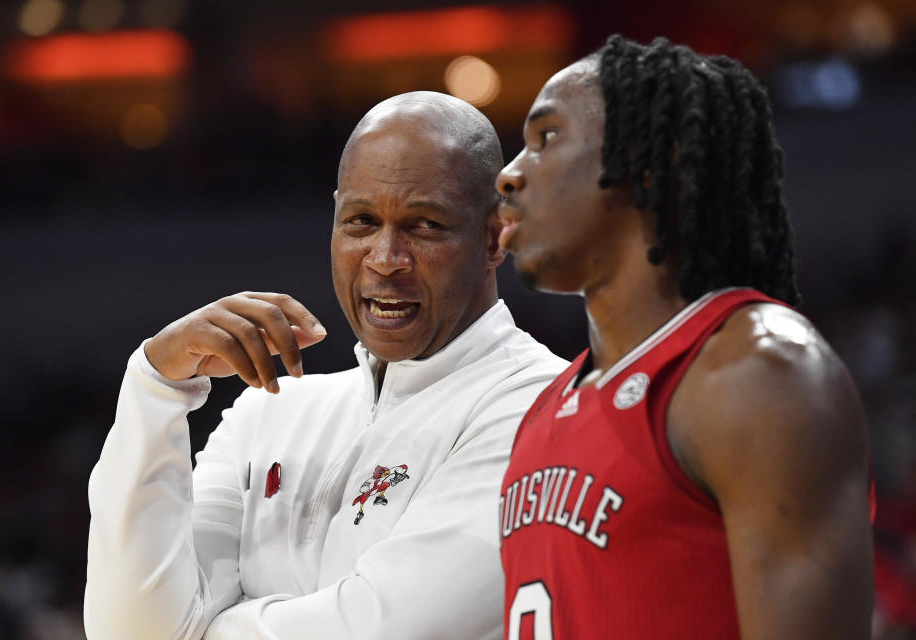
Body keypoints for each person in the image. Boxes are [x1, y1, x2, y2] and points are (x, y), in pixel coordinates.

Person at [84, 91, 566, 640]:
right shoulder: (269, 411)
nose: (386, 259)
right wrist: (155, 388)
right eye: (361, 221)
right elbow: (131, 628)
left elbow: (383, 630)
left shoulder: (541, 407)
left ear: (494, 234)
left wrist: (200, 631)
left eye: (425, 225)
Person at [495, 35, 874, 639]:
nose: (510, 175)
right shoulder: (544, 410)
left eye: (546, 139)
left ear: (649, 156)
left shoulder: (761, 373)